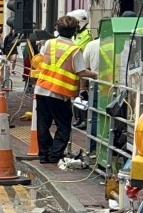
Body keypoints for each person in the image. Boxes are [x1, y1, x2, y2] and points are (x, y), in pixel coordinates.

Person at [34, 16, 98, 164]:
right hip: (59, 92)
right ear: (75, 31)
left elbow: (43, 59)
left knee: (43, 123)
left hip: (42, 88)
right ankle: (54, 155)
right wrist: (95, 75)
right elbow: (81, 71)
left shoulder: (49, 43)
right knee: (63, 126)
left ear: (57, 28)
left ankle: (44, 155)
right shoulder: (75, 49)